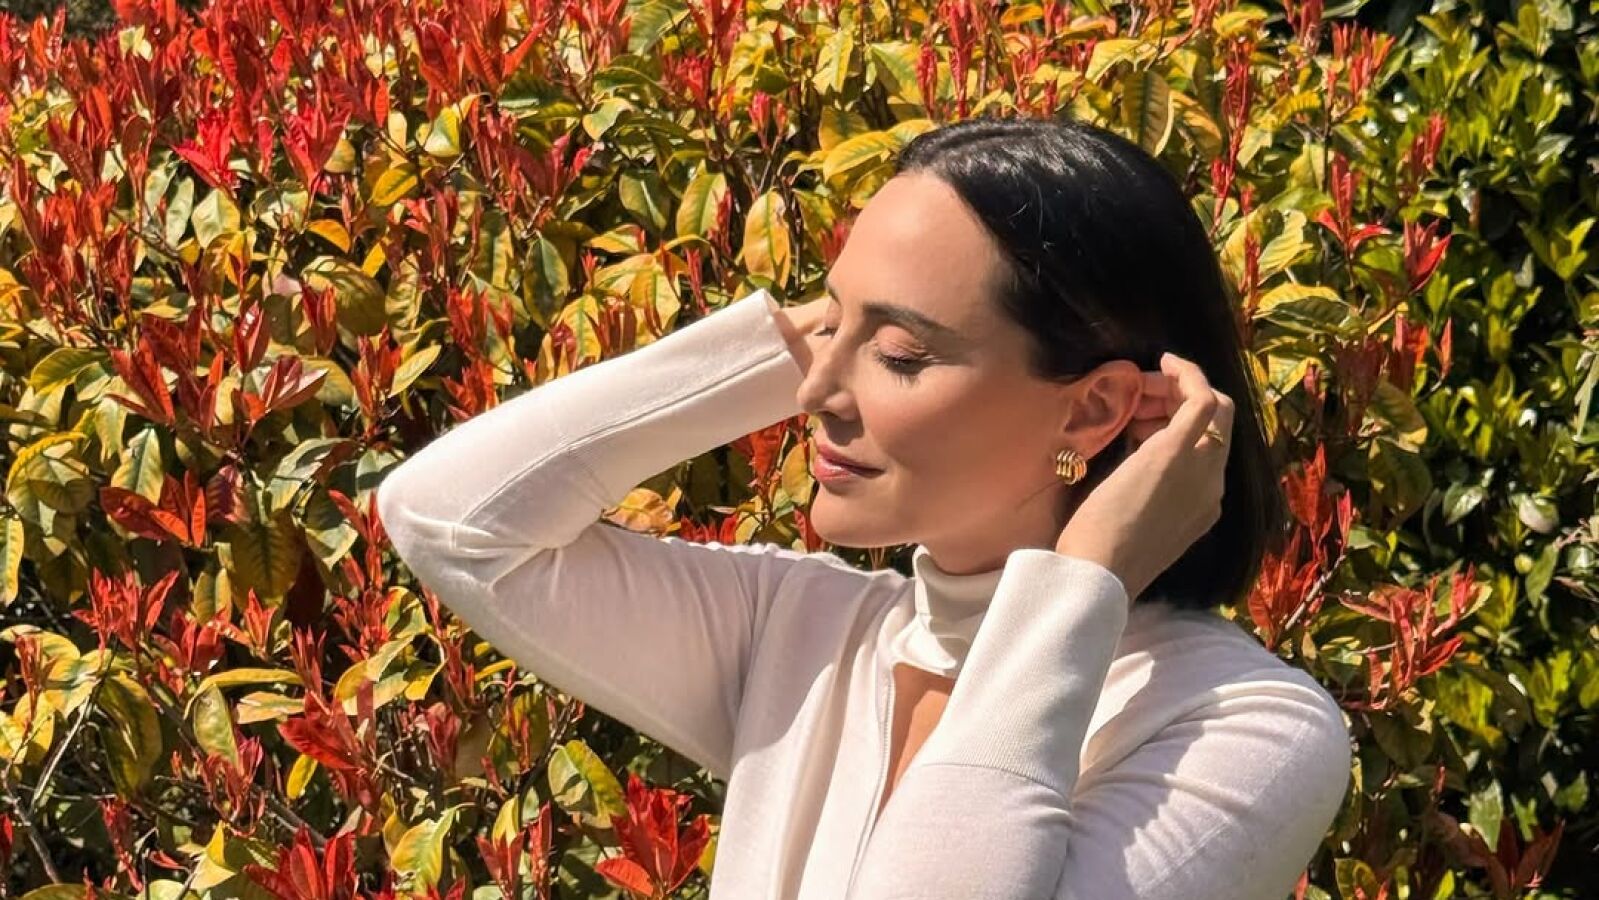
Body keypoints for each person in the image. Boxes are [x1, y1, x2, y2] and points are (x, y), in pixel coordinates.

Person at [376, 113, 1352, 899]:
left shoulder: (1243, 732)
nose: (813, 393)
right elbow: (452, 519)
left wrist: (1082, 581)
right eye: (829, 324)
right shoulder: (800, 633)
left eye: (901, 354)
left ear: (1093, 409)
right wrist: (781, 349)